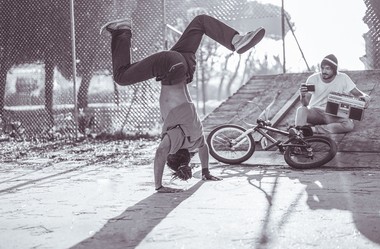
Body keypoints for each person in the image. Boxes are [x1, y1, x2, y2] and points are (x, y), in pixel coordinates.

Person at [100, 15, 265, 192]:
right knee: (121, 77)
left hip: (185, 65)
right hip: (170, 66)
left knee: (200, 22)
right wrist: (159, 185)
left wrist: (205, 171)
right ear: (175, 152)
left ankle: (236, 40)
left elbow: (204, 149)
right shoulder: (176, 140)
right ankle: (122, 31)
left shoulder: (195, 140)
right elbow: (160, 153)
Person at [294, 54, 370, 136]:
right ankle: (298, 134)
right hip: (316, 112)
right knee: (301, 110)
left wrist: (365, 97)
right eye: (322, 68)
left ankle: (313, 129)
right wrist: (303, 95)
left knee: (348, 125)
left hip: (333, 114)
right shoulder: (313, 79)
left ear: (334, 69)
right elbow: (305, 104)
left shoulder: (343, 78)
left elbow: (358, 94)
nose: (324, 71)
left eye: (327, 68)